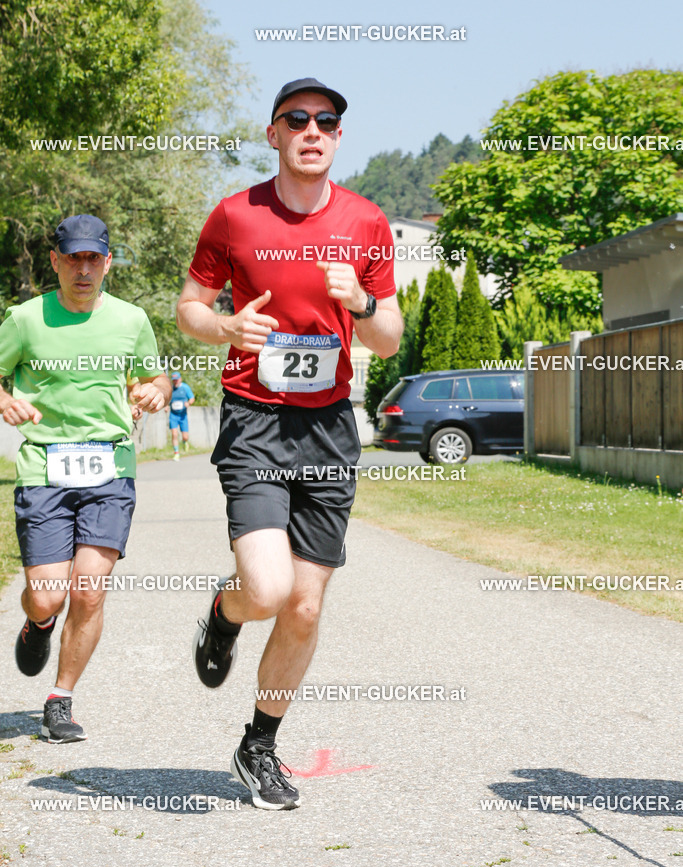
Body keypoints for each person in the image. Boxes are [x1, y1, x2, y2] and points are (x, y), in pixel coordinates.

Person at [176, 78, 403, 809]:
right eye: (296, 119)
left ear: (338, 137)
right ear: (273, 133)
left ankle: (258, 746)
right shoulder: (235, 216)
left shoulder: (366, 223)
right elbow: (189, 307)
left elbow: (387, 336)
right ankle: (224, 612)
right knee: (267, 591)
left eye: (327, 120)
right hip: (255, 419)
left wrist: (360, 303)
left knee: (304, 605)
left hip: (328, 425)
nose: (312, 129)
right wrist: (225, 327)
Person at [0, 214, 170, 743]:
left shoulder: (131, 319)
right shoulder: (25, 319)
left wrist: (156, 390)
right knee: (48, 595)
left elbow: (153, 375)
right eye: (72, 257)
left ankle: (61, 698)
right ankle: (39, 623)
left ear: (107, 263)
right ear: (55, 261)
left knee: (89, 591)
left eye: (92, 258)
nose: (83, 268)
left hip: (110, 467)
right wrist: (6, 399)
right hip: (45, 468)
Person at [168, 371, 195, 460]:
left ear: (180, 379)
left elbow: (192, 398)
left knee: (185, 436)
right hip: (173, 415)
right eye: (174, 380)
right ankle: (176, 453)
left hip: (183, 416)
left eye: (176, 380)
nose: (175, 381)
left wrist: (188, 403)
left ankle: (185, 442)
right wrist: (166, 407)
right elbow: (167, 400)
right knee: (174, 434)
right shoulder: (170, 389)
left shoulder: (185, 387)